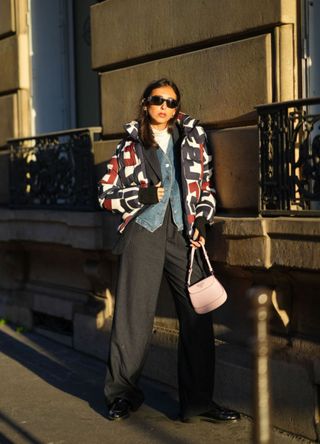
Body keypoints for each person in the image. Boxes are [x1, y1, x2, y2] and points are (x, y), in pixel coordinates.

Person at [98, 78, 240, 423]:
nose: (165, 107)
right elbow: (105, 195)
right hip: (143, 234)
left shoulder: (193, 139)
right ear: (145, 103)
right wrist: (143, 196)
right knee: (133, 317)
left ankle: (198, 402)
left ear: (177, 107)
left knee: (197, 314)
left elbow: (204, 183)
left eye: (171, 102)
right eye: (158, 100)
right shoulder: (129, 146)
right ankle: (121, 395)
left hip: (183, 234)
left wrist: (200, 223)